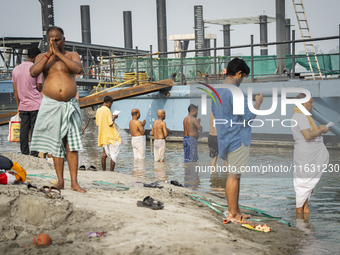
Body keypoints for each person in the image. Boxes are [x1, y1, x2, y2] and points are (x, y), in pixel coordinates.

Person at [29, 26, 85, 193]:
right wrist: (49, 55)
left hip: (70, 105)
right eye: (51, 40)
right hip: (51, 104)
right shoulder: (42, 57)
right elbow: (33, 72)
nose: (54, 42)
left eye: (57, 39)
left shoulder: (72, 55)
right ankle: (60, 181)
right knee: (56, 145)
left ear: (64, 40)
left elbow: (78, 69)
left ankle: (74, 182)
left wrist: (59, 54)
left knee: (72, 144)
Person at [211, 57, 263, 223]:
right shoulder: (236, 92)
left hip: (224, 137)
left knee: (234, 175)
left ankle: (236, 210)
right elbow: (249, 117)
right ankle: (232, 214)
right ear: (239, 73)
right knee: (233, 176)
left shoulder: (215, 91)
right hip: (238, 138)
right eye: (244, 77)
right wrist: (258, 103)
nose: (243, 80)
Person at [291, 93, 329, 214]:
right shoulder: (301, 117)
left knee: (306, 185)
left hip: (305, 153)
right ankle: (300, 219)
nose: (312, 104)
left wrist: (318, 129)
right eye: (310, 102)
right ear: (302, 103)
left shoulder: (299, 116)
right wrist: (321, 130)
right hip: (306, 154)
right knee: (304, 185)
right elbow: (307, 136)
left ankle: (305, 211)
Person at [12, 47, 43, 157]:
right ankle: (34, 154)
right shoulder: (36, 69)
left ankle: (24, 153)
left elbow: (15, 91)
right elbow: (39, 88)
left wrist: (18, 106)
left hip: (23, 105)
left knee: (23, 130)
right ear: (35, 57)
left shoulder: (16, 70)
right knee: (36, 130)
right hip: (36, 104)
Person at [96, 96, 121, 171]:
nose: (111, 106)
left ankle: (104, 171)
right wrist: (114, 117)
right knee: (113, 156)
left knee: (104, 154)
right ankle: (111, 172)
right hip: (111, 135)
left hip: (103, 135)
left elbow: (98, 123)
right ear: (109, 102)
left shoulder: (98, 110)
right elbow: (110, 123)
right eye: (111, 104)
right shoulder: (107, 110)